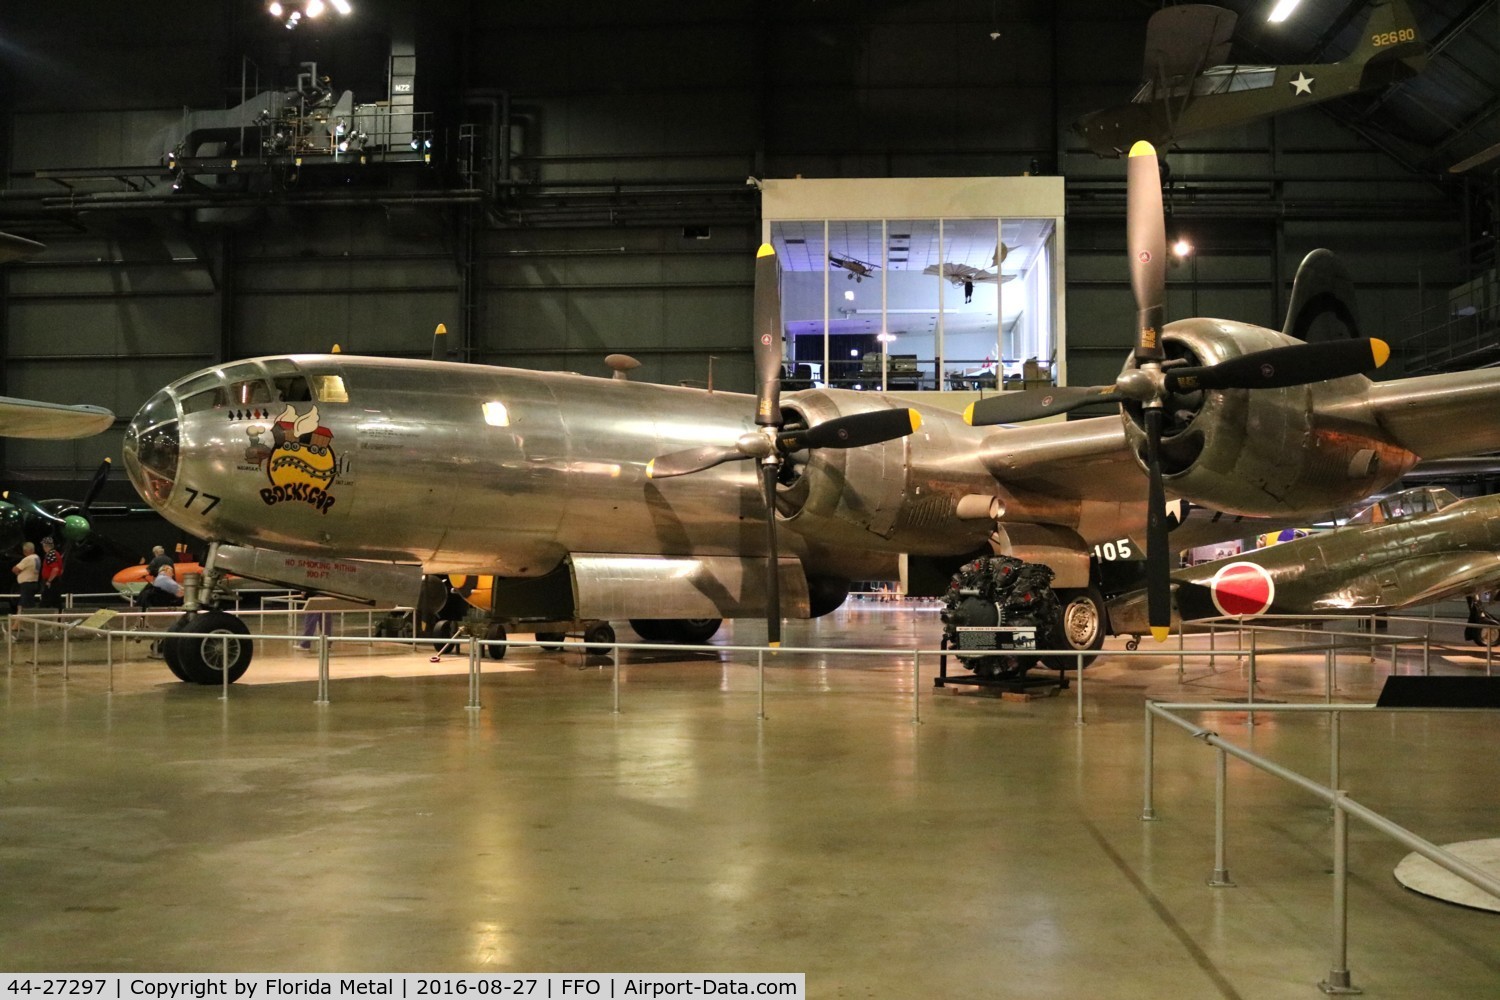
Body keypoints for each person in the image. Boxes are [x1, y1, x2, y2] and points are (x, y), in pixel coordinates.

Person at [11, 542, 39, 627]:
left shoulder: (28, 559)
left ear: (25, 551)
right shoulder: (37, 558)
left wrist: (19, 574)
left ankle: (19, 625)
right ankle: (18, 623)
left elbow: (15, 569)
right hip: (33, 583)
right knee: (23, 604)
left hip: (27, 585)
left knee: (23, 605)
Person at [39, 536, 65, 610]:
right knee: (56, 602)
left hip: (52, 582)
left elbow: (55, 569)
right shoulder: (57, 554)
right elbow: (61, 569)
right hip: (56, 581)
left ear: (45, 546)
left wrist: (49, 581)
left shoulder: (50, 554)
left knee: (45, 602)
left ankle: (42, 619)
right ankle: (59, 619)